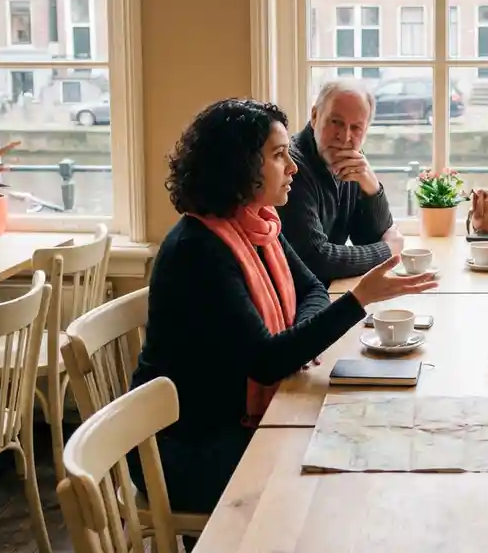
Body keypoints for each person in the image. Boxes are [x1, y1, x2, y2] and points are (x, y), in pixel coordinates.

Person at [129, 99, 436, 532]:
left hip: (230, 420)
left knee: (366, 443)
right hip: (187, 449)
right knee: (340, 479)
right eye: (278, 155)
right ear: (239, 167)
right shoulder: (199, 249)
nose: (292, 167)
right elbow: (268, 361)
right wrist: (357, 301)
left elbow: (311, 288)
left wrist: (298, 338)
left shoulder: (258, 222)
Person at [278, 80, 404, 285]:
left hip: (327, 291)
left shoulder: (351, 161)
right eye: (336, 122)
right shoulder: (292, 169)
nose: (344, 137)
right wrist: (388, 250)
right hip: (298, 301)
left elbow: (370, 238)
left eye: (356, 127)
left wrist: (372, 187)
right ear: (315, 116)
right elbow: (317, 259)